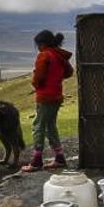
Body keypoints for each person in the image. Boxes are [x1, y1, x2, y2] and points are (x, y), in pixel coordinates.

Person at [21, 29, 73, 172]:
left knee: (38, 126)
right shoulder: (58, 55)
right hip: (57, 96)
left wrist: (36, 83)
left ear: (43, 44)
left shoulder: (44, 55)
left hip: (45, 97)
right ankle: (59, 158)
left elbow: (38, 78)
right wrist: (56, 78)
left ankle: (37, 161)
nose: (38, 48)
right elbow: (69, 72)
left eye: (38, 45)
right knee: (51, 126)